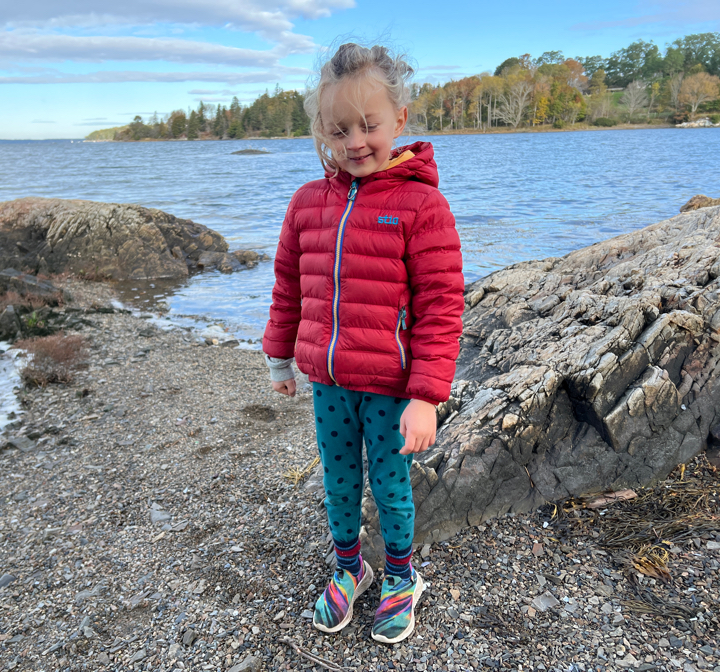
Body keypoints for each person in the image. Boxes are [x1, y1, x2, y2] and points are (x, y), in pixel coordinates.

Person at [262, 42, 464, 644]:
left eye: (369, 125)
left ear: (399, 120)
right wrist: (279, 356)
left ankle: (402, 577)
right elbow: (287, 286)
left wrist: (426, 395)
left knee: (391, 482)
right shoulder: (307, 204)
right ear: (322, 130)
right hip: (328, 382)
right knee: (339, 479)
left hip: (391, 388)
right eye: (339, 129)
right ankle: (350, 567)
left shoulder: (421, 205)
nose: (355, 141)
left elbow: (441, 307)